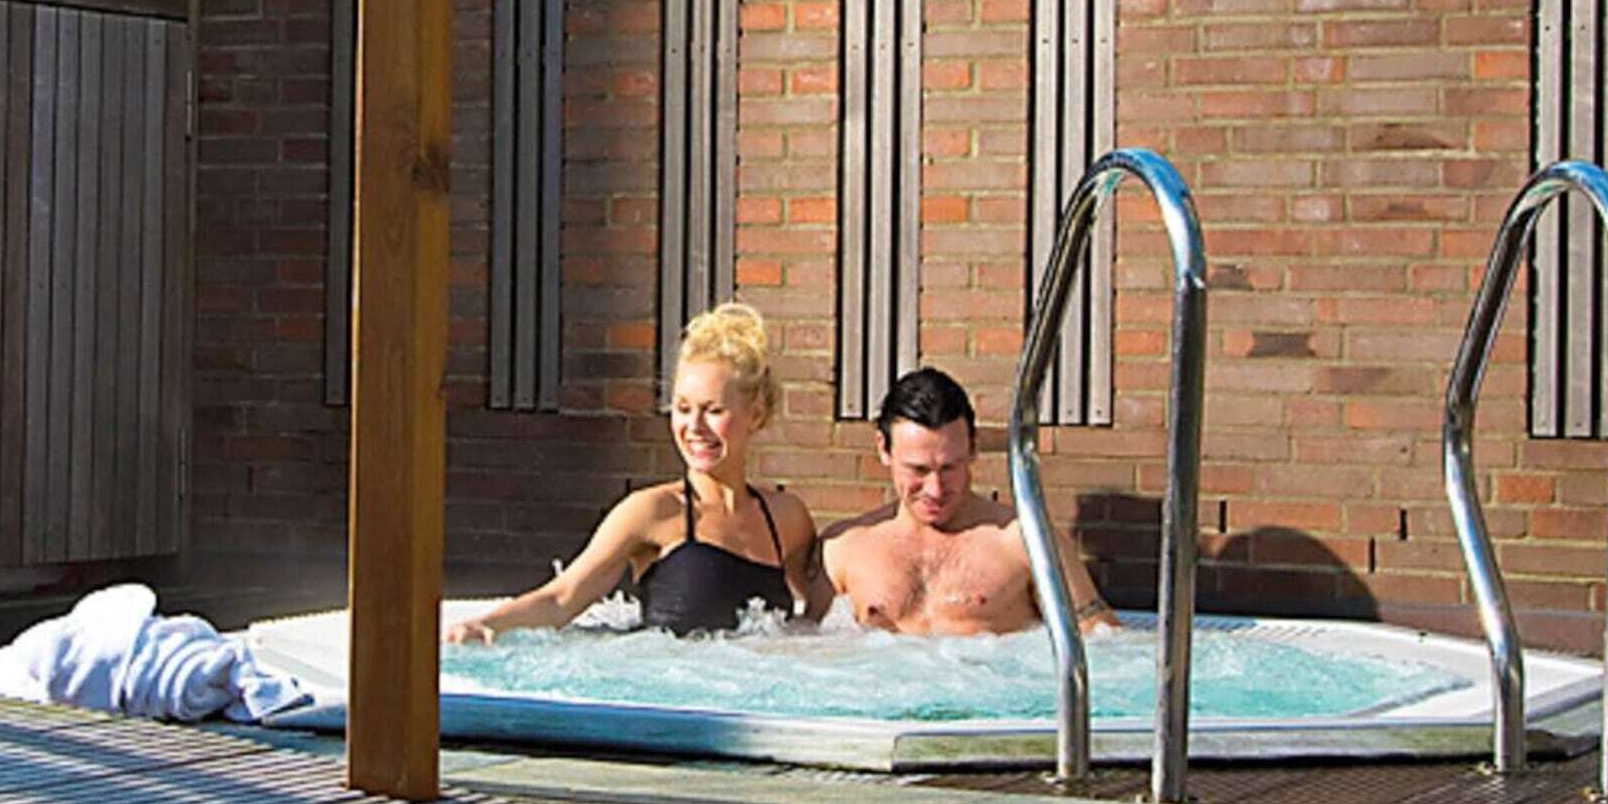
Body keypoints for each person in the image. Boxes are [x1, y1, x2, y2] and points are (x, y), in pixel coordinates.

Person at [444, 303, 821, 641]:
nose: (694, 426)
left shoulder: (787, 518)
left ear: (755, 415)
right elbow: (562, 597)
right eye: (683, 408)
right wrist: (488, 625)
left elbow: (821, 622)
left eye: (713, 410)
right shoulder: (652, 511)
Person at [813, 366, 1120, 638]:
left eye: (949, 468)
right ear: (884, 449)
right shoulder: (843, 549)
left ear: (973, 449)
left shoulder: (1026, 542)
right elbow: (809, 656)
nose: (935, 489)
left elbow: (1102, 643)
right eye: (918, 470)